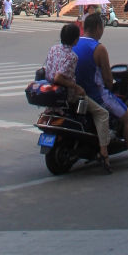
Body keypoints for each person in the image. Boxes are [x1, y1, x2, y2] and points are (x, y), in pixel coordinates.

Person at [73, 12, 128, 168]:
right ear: (97, 28)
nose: (102, 31)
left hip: (76, 93)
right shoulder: (99, 48)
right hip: (96, 95)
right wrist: (109, 88)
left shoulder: (74, 43)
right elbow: (108, 80)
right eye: (102, 28)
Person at [44, 23, 112, 173]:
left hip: (54, 94)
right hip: (70, 96)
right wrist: (76, 87)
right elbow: (59, 77)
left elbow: (48, 71)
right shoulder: (72, 56)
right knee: (102, 113)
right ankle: (104, 153)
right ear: (75, 40)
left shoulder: (53, 49)